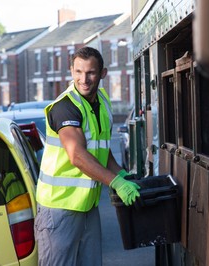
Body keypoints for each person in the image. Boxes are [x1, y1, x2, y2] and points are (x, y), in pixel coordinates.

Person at [34, 46, 140, 265]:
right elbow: (78, 156)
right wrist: (116, 182)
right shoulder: (65, 106)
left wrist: (120, 173)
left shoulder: (102, 102)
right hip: (59, 208)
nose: (84, 79)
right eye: (78, 72)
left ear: (103, 73)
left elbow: (100, 149)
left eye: (90, 72)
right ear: (71, 71)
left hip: (87, 207)